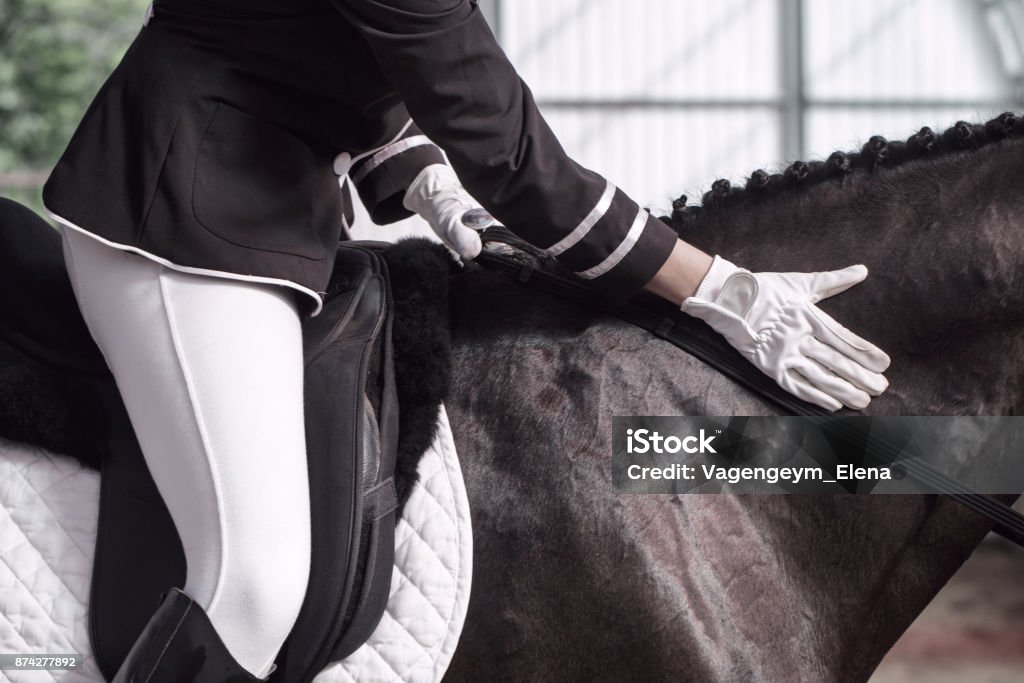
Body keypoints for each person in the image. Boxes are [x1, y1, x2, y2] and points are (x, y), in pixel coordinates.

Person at [42, 1, 891, 680]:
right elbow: (515, 154)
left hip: (268, 203)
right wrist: (722, 290)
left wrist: (425, 179)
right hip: (178, 215)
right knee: (257, 582)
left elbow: (324, 42)